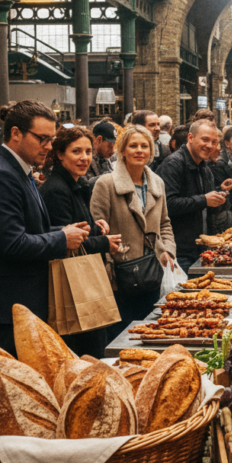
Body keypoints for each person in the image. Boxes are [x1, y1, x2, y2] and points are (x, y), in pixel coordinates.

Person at [0, 100, 90, 354]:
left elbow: (31, 228)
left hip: (20, 302)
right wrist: (61, 238)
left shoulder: (18, 169)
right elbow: (13, 243)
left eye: (51, 139)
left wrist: (64, 230)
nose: (48, 147)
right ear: (15, 133)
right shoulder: (0, 174)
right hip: (7, 305)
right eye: (42, 138)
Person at [38, 126, 124, 357]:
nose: (84, 158)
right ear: (59, 154)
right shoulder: (57, 190)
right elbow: (66, 242)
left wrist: (96, 227)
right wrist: (105, 242)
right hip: (71, 286)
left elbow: (80, 228)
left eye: (87, 151)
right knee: (83, 352)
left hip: (82, 281)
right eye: (76, 151)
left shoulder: (76, 184)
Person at [92, 125, 176, 342]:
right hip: (119, 277)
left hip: (151, 273)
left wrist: (167, 250)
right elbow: (96, 230)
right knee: (122, 337)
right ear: (122, 150)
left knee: (148, 334)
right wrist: (110, 258)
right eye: (133, 146)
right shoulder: (106, 184)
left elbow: (165, 223)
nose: (139, 150)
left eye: (144, 146)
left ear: (151, 151)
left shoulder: (157, 182)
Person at [156, 119, 231, 270]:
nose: (209, 146)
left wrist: (219, 197)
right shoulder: (173, 164)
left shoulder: (204, 167)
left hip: (200, 249)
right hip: (179, 251)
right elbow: (168, 205)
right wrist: (204, 200)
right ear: (190, 138)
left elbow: (205, 204)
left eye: (214, 142)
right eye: (205, 140)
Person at [84, 121, 117, 185]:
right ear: (98, 140)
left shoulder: (104, 157)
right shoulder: (85, 158)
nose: (113, 151)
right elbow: (85, 185)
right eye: (109, 146)